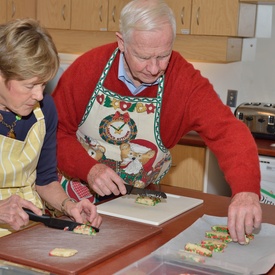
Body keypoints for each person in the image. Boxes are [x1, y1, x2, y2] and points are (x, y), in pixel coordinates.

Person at [52, 0, 262, 244]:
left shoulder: (184, 81)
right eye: (143, 57)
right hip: (73, 200)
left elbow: (229, 132)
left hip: (137, 207)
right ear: (122, 43)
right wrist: (89, 168)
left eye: (163, 55)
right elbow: (55, 133)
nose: (154, 68)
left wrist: (246, 191)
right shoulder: (87, 69)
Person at [0, 18, 102, 231]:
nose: (38, 95)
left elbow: (44, 180)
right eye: (30, 85)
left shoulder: (45, 109)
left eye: (43, 83)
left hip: (28, 229)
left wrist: (69, 206)